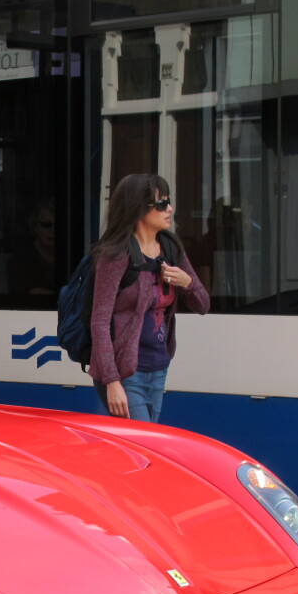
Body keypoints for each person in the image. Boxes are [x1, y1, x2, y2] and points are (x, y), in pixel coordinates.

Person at [89, 173, 209, 422]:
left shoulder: (171, 248)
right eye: (162, 203)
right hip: (126, 373)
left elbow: (203, 304)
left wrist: (187, 283)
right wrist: (111, 381)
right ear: (139, 208)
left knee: (144, 450)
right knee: (141, 447)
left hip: (159, 368)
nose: (170, 209)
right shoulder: (116, 254)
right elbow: (99, 322)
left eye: (169, 202)